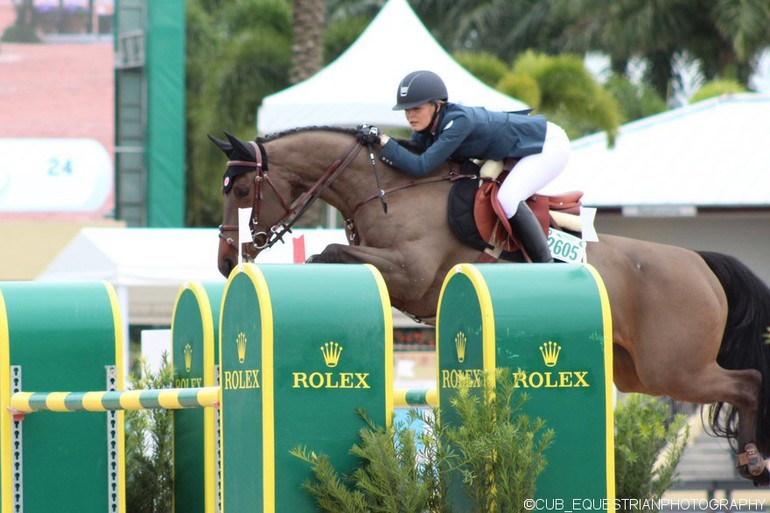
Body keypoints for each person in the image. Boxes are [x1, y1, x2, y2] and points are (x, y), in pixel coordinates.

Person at [356, 70, 571, 263]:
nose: (410, 116)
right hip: (516, 151)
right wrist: (377, 141)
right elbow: (411, 151)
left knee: (508, 197)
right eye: (406, 110)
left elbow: (420, 167)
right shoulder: (431, 127)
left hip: (548, 145)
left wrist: (383, 140)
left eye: (416, 108)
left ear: (437, 105)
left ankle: (546, 265)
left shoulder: (458, 122)